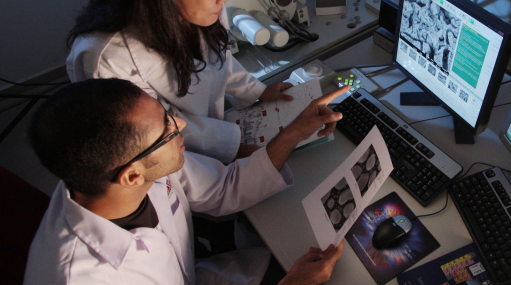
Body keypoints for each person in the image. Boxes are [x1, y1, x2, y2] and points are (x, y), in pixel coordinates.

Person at [24, 78, 348, 285]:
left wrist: (292, 132)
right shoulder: (84, 277)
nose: (179, 124)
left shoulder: (111, 170)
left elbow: (223, 188)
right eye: (166, 127)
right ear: (132, 175)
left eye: (166, 114)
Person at [66, 0, 292, 163]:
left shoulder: (200, 6)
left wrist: (256, 91)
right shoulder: (106, 59)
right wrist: (229, 146)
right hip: (174, 160)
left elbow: (219, 57)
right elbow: (159, 127)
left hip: (215, 132)